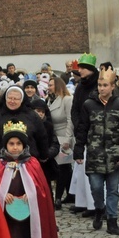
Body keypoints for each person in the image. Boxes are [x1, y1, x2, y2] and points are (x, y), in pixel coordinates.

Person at [73, 69, 119, 235]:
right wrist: (78, 150)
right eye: (99, 85)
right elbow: (82, 129)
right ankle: (100, 208)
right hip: (94, 154)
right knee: (96, 187)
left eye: (105, 85)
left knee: (113, 189)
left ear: (112, 86)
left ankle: (112, 221)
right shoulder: (89, 105)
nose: (101, 88)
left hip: (115, 155)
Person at [0, 85, 49, 171]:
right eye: (10, 98)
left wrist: (43, 156)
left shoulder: (32, 116)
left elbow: (42, 137)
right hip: (2, 164)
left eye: (16, 99)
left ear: (22, 100)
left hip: (29, 164)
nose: (12, 101)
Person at [69, 53, 100, 216]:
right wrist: (78, 123)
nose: (79, 70)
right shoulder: (80, 86)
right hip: (81, 131)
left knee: (93, 171)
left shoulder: (98, 85)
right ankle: (83, 202)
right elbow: (75, 108)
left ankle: (95, 205)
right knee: (81, 171)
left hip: (95, 133)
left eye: (81, 68)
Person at [47, 76, 74, 209]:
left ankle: (58, 197)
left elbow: (70, 120)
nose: (48, 87)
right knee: (65, 168)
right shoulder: (50, 100)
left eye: (51, 85)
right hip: (55, 137)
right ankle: (70, 193)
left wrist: (68, 139)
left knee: (63, 167)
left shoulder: (67, 100)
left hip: (64, 137)